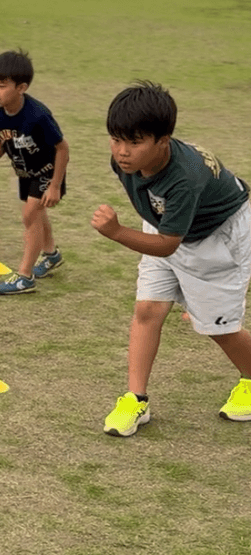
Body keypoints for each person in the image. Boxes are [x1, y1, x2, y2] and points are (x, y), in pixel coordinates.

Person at [92, 81, 251, 436]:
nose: (122, 152)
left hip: (217, 237)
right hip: (168, 225)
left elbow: (168, 245)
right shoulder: (126, 162)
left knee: (218, 329)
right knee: (147, 309)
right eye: (116, 139)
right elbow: (161, 227)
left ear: (163, 141)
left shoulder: (185, 177)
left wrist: (117, 232)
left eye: (134, 142)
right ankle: (136, 399)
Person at [0, 49, 69, 295]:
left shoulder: (38, 116)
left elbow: (62, 149)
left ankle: (25, 277)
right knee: (36, 214)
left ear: (21, 87)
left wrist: (55, 185)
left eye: (1, 85)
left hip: (47, 171)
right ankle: (51, 254)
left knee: (30, 215)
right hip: (25, 174)